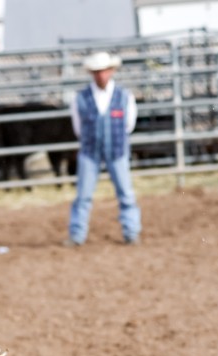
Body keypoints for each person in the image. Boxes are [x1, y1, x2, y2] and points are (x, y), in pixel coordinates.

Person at [67, 51, 141, 247]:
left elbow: (129, 125)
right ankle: (77, 234)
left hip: (116, 150)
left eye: (104, 71)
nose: (101, 75)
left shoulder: (124, 96)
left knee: (125, 193)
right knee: (83, 194)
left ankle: (131, 231)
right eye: (97, 71)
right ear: (92, 73)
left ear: (111, 71)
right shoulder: (80, 99)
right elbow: (79, 128)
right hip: (90, 152)